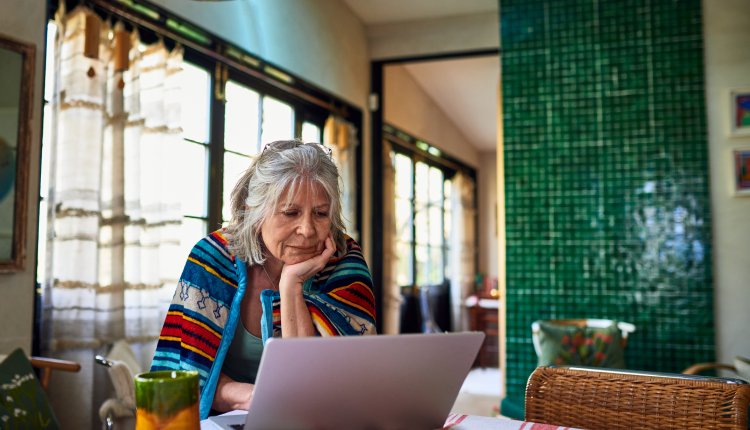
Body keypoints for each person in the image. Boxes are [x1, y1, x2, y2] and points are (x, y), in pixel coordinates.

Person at [151, 140, 377, 419]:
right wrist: (250, 396)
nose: (307, 230)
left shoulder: (344, 262)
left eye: (320, 213)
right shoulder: (212, 258)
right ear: (254, 211)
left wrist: (291, 285)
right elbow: (187, 373)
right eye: (290, 212)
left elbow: (321, 386)